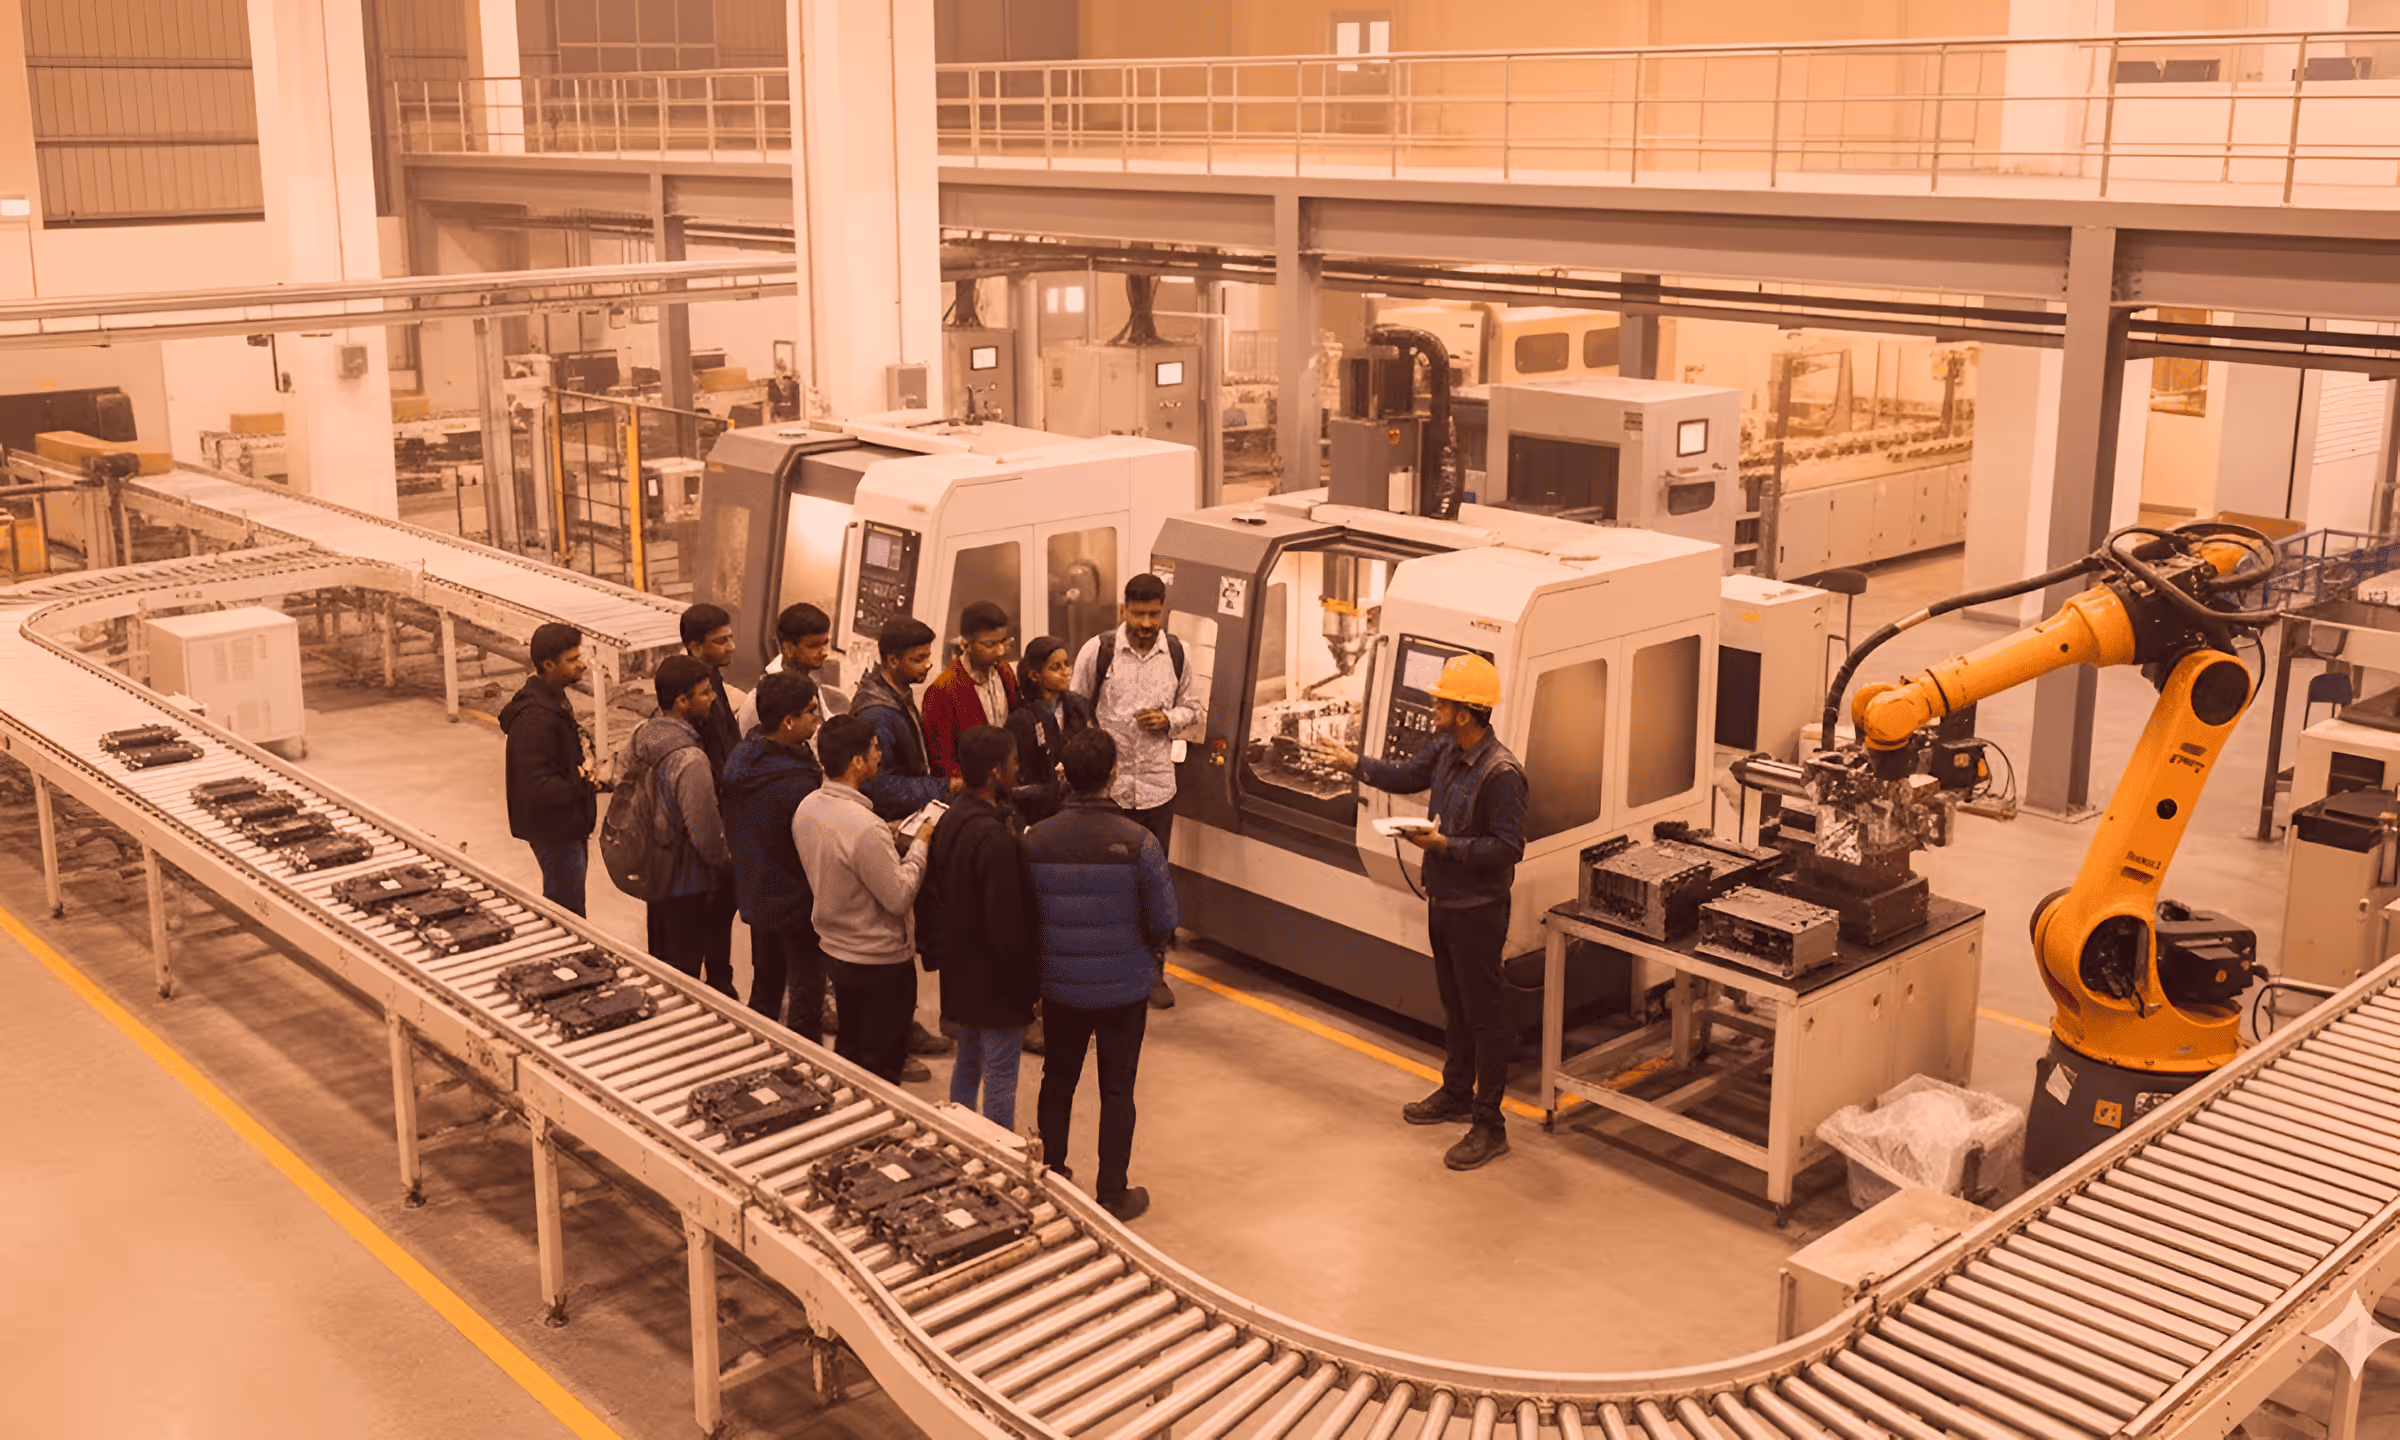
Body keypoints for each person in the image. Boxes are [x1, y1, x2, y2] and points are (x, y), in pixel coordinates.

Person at [1310, 654, 1526, 1173]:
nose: (1433, 708)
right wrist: (1353, 763)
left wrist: (1445, 845)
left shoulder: (1502, 774)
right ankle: (1456, 1092)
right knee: (1455, 1005)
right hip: (1444, 901)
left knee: (1484, 1016)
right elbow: (1406, 775)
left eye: (1441, 702)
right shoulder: (1448, 749)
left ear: (1466, 712)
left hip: (1479, 911)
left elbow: (1508, 847)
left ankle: (1490, 1124)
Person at [1026, 728, 1176, 1222]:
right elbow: (1164, 920)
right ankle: (1113, 1192)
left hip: (1060, 985)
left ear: (1066, 776)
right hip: (1124, 988)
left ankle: (1051, 1173)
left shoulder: (1036, 839)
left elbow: (1026, 914)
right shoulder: (1140, 842)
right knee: (1117, 1089)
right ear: (1113, 774)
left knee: (1057, 1079)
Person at [1071, 574, 1200, 1009]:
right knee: (1105, 884)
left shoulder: (1177, 653)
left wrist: (1168, 720)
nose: (1146, 623)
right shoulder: (1098, 651)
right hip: (1107, 795)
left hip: (1157, 791)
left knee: (1151, 882)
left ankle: (1153, 970)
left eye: (1154, 614)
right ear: (1123, 609)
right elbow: (1075, 710)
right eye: (1139, 613)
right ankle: (1105, 968)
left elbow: (1193, 708)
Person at [793, 714, 932, 1084]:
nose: (880, 755)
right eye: (874, 748)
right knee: (881, 1068)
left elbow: (845, 857)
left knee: (851, 1053)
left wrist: (887, 835)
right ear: (856, 761)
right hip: (879, 961)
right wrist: (919, 846)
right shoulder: (864, 827)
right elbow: (898, 897)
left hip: (837, 951)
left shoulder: (808, 807)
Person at [849, 615, 962, 1061]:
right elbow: (880, 785)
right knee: (894, 943)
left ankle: (901, 1030)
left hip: (905, 827)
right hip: (890, 836)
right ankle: (893, 1041)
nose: (927, 666)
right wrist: (943, 787)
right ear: (892, 660)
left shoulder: (897, 696)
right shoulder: (878, 712)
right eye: (918, 659)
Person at [917, 725, 1037, 1129]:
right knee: (1001, 1077)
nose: (1018, 769)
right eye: (1013, 762)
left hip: (962, 969)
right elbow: (1006, 926)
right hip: (996, 982)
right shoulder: (996, 841)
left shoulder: (951, 818)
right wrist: (1025, 986)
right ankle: (996, 1149)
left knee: (968, 1062)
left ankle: (958, 1135)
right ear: (995, 772)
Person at [719, 670, 830, 1036]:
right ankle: (804, 1060)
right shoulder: (793, 783)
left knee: (766, 985)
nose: (817, 717)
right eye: (811, 711)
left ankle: (757, 1048)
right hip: (797, 900)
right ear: (788, 722)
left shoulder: (746, 755)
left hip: (758, 892)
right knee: (806, 994)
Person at [628, 655, 737, 995]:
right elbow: (705, 836)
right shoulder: (691, 760)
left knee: (660, 964)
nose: (713, 698)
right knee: (684, 977)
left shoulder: (641, 735)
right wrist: (725, 865)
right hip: (687, 884)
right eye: (705, 693)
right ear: (681, 702)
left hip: (653, 871)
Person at [499, 623, 598, 916]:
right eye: (572, 660)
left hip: (567, 822)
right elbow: (537, 785)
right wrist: (582, 780)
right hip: (555, 829)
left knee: (569, 900)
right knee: (566, 909)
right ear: (548, 664)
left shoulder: (553, 698)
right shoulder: (534, 718)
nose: (581, 665)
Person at [922, 600, 1018, 780]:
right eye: (990, 644)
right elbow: (943, 764)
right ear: (965, 644)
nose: (1000, 651)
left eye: (1003, 642)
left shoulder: (1004, 670)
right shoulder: (942, 692)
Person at [1005, 635, 1094, 825]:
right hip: (1038, 811)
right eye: (1056, 667)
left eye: (1066, 664)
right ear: (1035, 675)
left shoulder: (1078, 706)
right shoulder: (1022, 718)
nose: (1066, 672)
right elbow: (1021, 778)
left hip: (1077, 805)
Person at [735, 602, 833, 735]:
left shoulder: (807, 682)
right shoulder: (765, 697)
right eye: (813, 646)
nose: (824, 652)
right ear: (788, 648)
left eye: (824, 644)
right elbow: (748, 742)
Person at [680, 603, 744, 776]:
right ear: (695, 648)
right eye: (721, 641)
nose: (731, 647)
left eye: (729, 638)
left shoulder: (712, 673)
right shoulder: (691, 692)